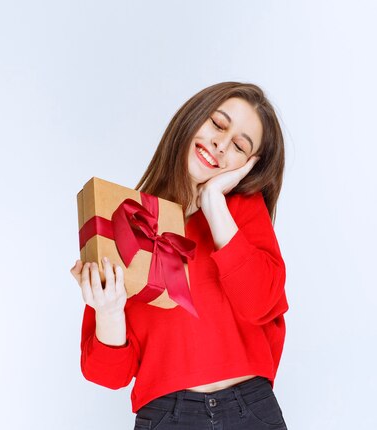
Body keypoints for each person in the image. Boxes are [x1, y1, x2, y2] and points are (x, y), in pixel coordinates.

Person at [69, 82, 289, 429]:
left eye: (239, 146)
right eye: (218, 124)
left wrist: (213, 201)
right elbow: (107, 375)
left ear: (247, 165)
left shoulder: (242, 213)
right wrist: (109, 310)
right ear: (193, 117)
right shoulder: (127, 221)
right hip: (167, 415)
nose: (220, 143)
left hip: (250, 407)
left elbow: (261, 300)